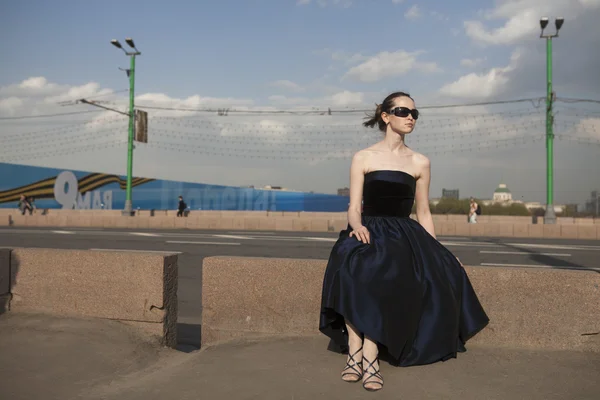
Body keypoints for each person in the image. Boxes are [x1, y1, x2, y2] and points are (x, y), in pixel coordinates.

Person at [319, 91, 489, 392]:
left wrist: (437, 251)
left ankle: (365, 357)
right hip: (365, 227)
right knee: (349, 266)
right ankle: (356, 351)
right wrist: (356, 225)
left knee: (384, 271)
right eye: (402, 111)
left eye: (414, 113)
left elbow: (423, 211)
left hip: (402, 233)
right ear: (385, 116)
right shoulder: (364, 157)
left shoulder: (420, 162)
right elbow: (353, 205)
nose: (410, 117)